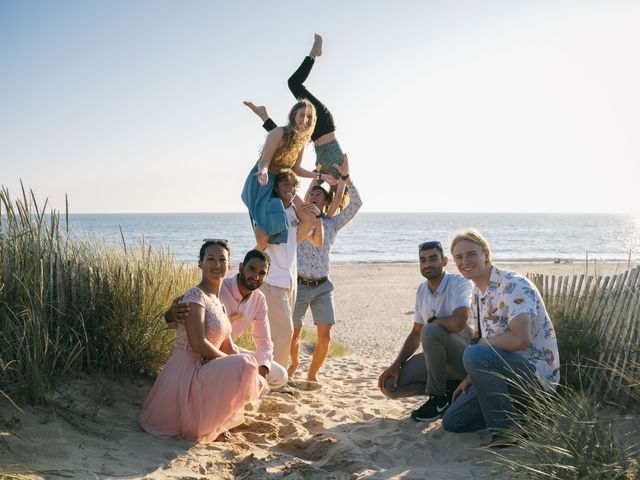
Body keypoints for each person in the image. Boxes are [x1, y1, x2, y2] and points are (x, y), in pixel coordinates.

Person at [139, 240, 269, 442]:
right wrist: (232, 365)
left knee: (248, 365)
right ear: (199, 263)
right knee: (243, 364)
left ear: (229, 264)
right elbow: (198, 344)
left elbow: (228, 347)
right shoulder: (195, 296)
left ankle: (214, 423)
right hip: (186, 371)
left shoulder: (219, 303)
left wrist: (250, 371)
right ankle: (201, 424)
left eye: (221, 259)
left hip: (205, 367)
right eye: (210, 259)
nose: (217, 265)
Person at [442, 229, 560, 445]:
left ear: (486, 254)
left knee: (474, 351)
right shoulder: (477, 293)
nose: (464, 261)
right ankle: (522, 414)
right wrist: (473, 375)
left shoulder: (513, 285)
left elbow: (520, 340)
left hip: (535, 377)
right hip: (502, 373)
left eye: (471, 254)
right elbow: (487, 346)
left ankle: (507, 430)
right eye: (459, 257)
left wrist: (478, 350)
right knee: (453, 421)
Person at [245, 33, 348, 217]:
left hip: (313, 135)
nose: (317, 195)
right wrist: (333, 207)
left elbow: (301, 175)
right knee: (293, 83)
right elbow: (339, 196)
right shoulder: (341, 176)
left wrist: (319, 180)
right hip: (323, 124)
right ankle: (314, 53)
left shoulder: (325, 175)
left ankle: (264, 116)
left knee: (288, 141)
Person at [378, 241, 473, 422]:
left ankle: (437, 400)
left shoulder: (460, 283)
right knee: (389, 386)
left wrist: (435, 323)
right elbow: (416, 334)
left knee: (431, 330)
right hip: (438, 359)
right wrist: (396, 364)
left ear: (444, 261)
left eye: (432, 259)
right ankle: (450, 390)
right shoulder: (422, 290)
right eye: (422, 260)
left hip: (463, 358)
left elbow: (460, 322)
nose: (427, 264)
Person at [165, 249, 288, 389]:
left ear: (266, 276)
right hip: (205, 354)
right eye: (251, 269)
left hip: (230, 351)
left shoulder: (259, 299)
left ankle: (244, 389)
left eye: (262, 273)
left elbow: (264, 341)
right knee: (240, 367)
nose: (255, 276)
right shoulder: (218, 286)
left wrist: (262, 370)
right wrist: (169, 316)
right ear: (241, 267)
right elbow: (183, 311)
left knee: (280, 375)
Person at [289, 154, 362, 382]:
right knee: (293, 335)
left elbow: (356, 204)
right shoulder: (296, 218)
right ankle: (293, 366)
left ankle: (312, 376)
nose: (314, 195)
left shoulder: (333, 223)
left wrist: (346, 178)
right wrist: (317, 174)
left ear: (326, 202)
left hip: (322, 287)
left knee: (325, 337)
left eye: (319, 194)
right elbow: (296, 192)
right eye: (311, 193)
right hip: (298, 285)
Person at [241, 98, 335, 250]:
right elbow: (264, 161)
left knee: (309, 217)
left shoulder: (301, 141)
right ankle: (249, 264)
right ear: (293, 116)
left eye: (309, 116)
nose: (305, 119)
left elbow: (296, 169)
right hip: (261, 183)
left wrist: (320, 176)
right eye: (302, 115)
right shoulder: (278, 133)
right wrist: (263, 172)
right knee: (263, 239)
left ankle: (289, 249)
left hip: (282, 184)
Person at [261, 170, 323, 369]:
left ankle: (271, 374)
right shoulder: (271, 210)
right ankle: (278, 380)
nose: (290, 189)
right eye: (285, 185)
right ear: (276, 188)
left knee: (278, 333)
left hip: (290, 279)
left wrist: (318, 178)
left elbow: (310, 217)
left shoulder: (294, 213)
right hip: (273, 279)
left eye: (293, 185)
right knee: (285, 332)